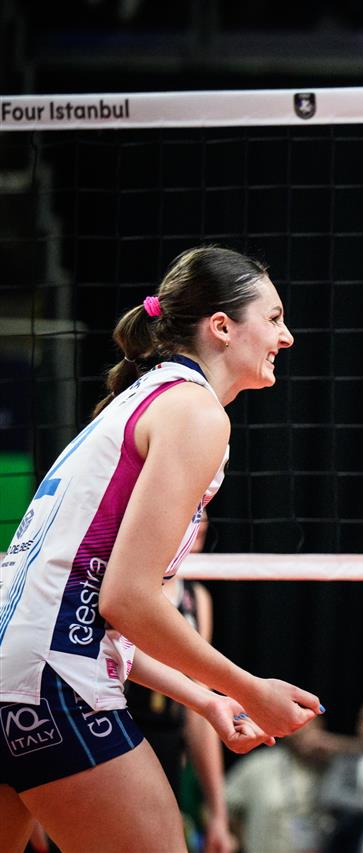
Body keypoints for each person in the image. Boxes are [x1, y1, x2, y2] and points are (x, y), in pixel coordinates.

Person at [0, 245, 322, 853]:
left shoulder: (140, 399)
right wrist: (251, 690)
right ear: (222, 326)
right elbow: (126, 601)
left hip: (16, 673)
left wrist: (206, 700)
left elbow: (84, 610)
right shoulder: (195, 412)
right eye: (274, 317)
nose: (287, 336)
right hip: (52, 683)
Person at [124, 514, 234, 853]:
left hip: (168, 742)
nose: (202, 520)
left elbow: (203, 707)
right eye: (193, 512)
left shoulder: (196, 598)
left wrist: (218, 812)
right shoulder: (121, 586)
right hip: (115, 732)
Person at [225, 716, 334, 853]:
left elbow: (361, 752)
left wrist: (335, 746)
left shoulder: (334, 766)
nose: (305, 733)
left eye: (310, 724)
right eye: (299, 726)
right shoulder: (260, 764)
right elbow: (222, 806)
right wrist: (243, 841)